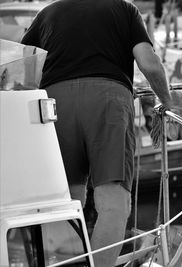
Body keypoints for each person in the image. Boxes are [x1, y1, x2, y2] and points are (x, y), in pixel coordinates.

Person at [21, 0, 174, 266]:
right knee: (113, 202)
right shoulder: (125, 9)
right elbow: (148, 64)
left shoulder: (48, 13)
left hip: (54, 104)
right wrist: (166, 100)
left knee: (66, 201)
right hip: (108, 99)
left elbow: (24, 65)